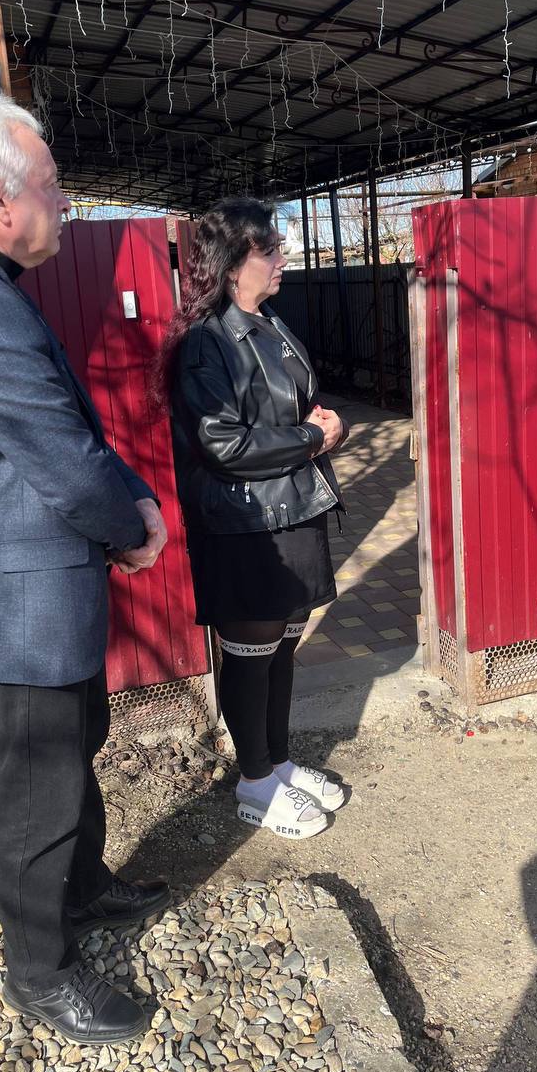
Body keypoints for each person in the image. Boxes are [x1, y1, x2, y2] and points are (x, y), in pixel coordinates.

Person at [0, 86, 171, 1043]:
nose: (66, 201)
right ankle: (40, 972)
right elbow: (64, 462)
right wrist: (132, 525)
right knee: (38, 782)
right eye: (51, 185)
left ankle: (81, 887)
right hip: (18, 601)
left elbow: (60, 432)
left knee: (72, 744)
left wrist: (128, 498)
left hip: (27, 586)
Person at [159, 198, 348, 839]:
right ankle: (254, 783)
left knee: (283, 647)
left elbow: (296, 411)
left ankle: (278, 764)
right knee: (251, 652)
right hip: (245, 525)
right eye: (270, 249)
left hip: (291, 506)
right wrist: (313, 439)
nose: (282, 257)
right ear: (234, 263)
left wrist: (327, 429)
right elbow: (223, 444)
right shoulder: (207, 343)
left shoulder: (270, 323)